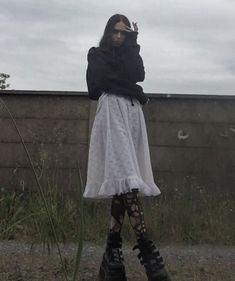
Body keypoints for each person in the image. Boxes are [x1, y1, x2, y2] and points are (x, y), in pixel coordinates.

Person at [83, 14, 171, 281]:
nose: (120, 37)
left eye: (125, 33)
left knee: (124, 183)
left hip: (132, 115)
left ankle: (112, 257)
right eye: (116, 32)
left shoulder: (128, 53)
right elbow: (98, 85)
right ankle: (148, 252)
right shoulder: (96, 53)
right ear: (108, 32)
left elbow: (137, 75)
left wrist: (134, 44)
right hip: (112, 112)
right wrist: (132, 88)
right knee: (128, 182)